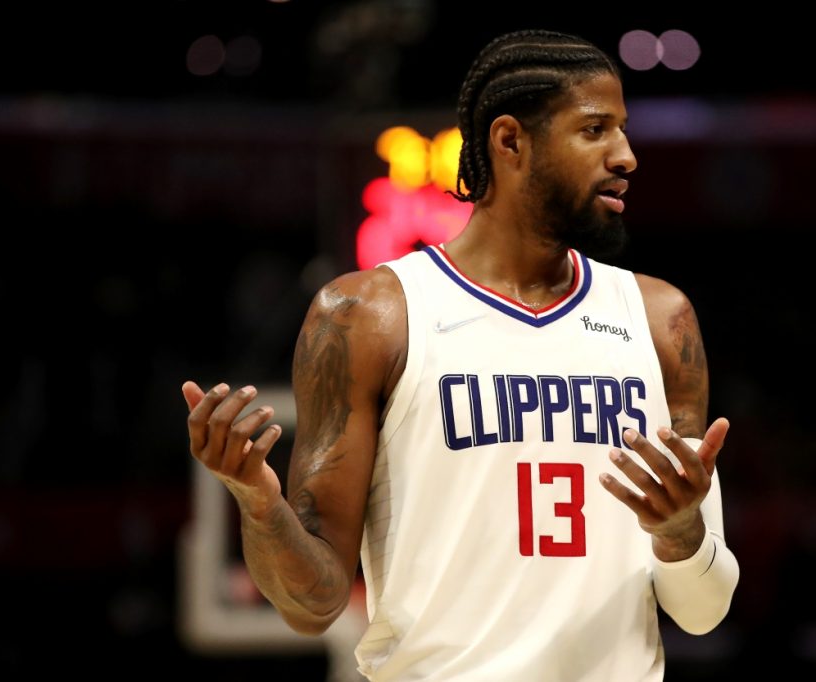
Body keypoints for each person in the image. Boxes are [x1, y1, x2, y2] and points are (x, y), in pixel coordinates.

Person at [183, 29, 739, 681]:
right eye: (596, 130)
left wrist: (679, 533)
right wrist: (258, 502)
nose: (627, 156)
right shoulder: (369, 316)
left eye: (623, 130)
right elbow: (315, 604)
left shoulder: (659, 318)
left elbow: (702, 612)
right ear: (510, 142)